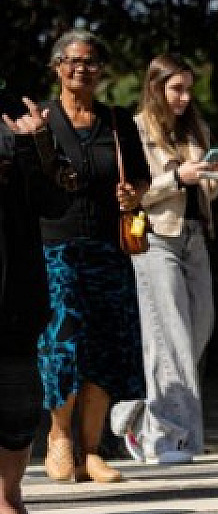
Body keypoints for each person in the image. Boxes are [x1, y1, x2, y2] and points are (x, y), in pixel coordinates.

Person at [27, 30, 151, 483]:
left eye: (91, 62)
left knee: (104, 346)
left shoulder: (118, 122)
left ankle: (92, 450)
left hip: (109, 248)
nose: (82, 69)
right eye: (73, 61)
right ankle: (59, 439)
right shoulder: (40, 120)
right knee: (63, 344)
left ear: (102, 70)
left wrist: (130, 194)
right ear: (57, 66)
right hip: (56, 247)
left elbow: (141, 178)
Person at [109, 54, 218, 464]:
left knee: (198, 331)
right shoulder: (136, 129)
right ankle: (169, 438)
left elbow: (205, 190)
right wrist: (179, 177)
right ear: (155, 87)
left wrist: (212, 177)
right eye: (176, 88)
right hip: (157, 237)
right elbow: (131, 192)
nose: (184, 97)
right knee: (170, 338)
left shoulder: (196, 127)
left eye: (189, 89)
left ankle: (136, 417)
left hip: (194, 237)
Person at [0, 97, 54, 513]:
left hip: (14, 298)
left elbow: (53, 203)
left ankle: (8, 496)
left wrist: (35, 144)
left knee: (18, 411)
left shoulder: (16, 117)